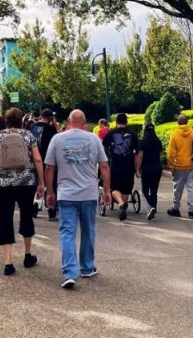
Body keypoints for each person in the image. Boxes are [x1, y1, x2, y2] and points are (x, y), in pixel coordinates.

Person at [44, 109, 110, 289]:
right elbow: (104, 165)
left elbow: (49, 168)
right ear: (85, 121)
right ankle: (87, 267)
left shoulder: (57, 139)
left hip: (66, 194)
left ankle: (69, 273)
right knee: (89, 230)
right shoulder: (94, 139)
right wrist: (108, 190)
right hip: (88, 193)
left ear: (68, 120)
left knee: (67, 232)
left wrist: (50, 192)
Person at [0, 108, 44, 276]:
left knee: (5, 218)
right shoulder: (28, 135)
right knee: (26, 215)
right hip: (26, 183)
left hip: (4, 183)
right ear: (21, 120)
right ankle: (27, 255)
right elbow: (37, 159)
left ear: (6, 120)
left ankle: (8, 262)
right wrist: (41, 182)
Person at [102, 113, 140, 221]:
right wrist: (137, 169)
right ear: (126, 122)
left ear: (116, 122)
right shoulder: (133, 134)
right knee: (126, 189)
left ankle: (121, 203)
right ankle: (123, 204)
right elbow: (137, 153)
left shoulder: (111, 133)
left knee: (114, 187)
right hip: (129, 166)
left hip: (115, 165)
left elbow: (103, 146)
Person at [165, 114, 193, 219]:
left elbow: (170, 153)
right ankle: (191, 211)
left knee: (177, 188)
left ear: (177, 122)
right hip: (192, 164)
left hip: (179, 165)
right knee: (191, 188)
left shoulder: (174, 134)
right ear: (187, 122)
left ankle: (176, 208)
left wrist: (171, 165)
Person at [31, 109, 59, 220]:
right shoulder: (50, 129)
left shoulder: (32, 127)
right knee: (50, 185)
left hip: (34, 159)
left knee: (37, 184)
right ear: (50, 117)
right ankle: (51, 211)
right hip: (48, 160)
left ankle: (35, 207)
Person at [137, 123, 163, 221]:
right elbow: (160, 155)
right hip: (157, 168)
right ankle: (153, 208)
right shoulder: (158, 141)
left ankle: (151, 206)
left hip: (147, 168)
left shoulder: (143, 142)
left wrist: (137, 169)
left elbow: (140, 157)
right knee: (154, 190)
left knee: (144, 190)